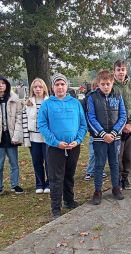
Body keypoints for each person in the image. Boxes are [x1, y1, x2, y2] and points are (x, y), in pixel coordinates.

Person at [38, 73, 87, 219]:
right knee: (56, 178)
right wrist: (56, 142)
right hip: (55, 148)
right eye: (57, 84)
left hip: (73, 147)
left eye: (62, 84)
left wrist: (77, 140)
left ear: (67, 86)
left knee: (69, 175)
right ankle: (55, 208)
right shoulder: (47, 104)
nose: (60, 87)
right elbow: (42, 125)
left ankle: (69, 201)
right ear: (53, 87)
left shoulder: (75, 103)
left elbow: (83, 125)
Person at [86, 70, 126, 204]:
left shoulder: (118, 96)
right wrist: (103, 134)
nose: (106, 86)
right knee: (99, 165)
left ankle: (115, 187)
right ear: (98, 83)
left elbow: (123, 116)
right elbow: (91, 118)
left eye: (108, 84)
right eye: (102, 84)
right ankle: (98, 190)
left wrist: (114, 133)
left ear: (112, 82)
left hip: (115, 138)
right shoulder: (92, 97)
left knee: (115, 163)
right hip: (99, 138)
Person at [113, 59, 131, 190]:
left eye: (123, 69)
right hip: (115, 129)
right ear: (114, 71)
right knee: (117, 156)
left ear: (126, 71)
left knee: (128, 155)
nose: (121, 72)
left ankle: (125, 177)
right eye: (118, 70)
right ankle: (118, 177)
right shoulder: (111, 87)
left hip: (130, 129)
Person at [23, 78, 50, 194]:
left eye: (40, 86)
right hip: (34, 139)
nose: (38, 89)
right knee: (37, 162)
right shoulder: (28, 104)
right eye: (35, 87)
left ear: (44, 88)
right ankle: (39, 183)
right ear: (32, 89)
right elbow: (24, 122)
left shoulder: (49, 102)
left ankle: (49, 183)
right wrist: (26, 140)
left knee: (49, 162)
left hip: (47, 139)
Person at [0, 74, 23, 195]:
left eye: (3, 83)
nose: (0, 85)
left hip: (11, 136)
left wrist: (17, 136)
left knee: (14, 162)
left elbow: (19, 118)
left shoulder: (14, 99)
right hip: (0, 138)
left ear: (7, 85)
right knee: (0, 163)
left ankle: (15, 184)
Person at [84, 79, 108, 181]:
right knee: (93, 152)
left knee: (103, 153)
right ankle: (89, 171)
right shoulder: (90, 98)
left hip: (105, 131)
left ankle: (100, 169)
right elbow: (89, 116)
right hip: (94, 132)